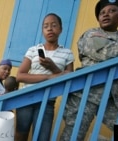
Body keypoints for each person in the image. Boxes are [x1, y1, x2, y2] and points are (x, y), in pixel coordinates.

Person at [60, 0, 118, 140]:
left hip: (109, 98)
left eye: (112, 11)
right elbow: (107, 52)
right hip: (83, 96)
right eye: (102, 13)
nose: (106, 15)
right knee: (73, 136)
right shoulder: (91, 34)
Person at [15, 13, 74, 141]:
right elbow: (20, 76)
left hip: (47, 101)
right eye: (46, 26)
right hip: (26, 97)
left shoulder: (67, 53)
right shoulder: (33, 50)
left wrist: (53, 68)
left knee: (42, 137)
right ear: (42, 30)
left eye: (54, 25)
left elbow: (69, 81)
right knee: (21, 134)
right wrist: (48, 78)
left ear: (61, 29)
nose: (49, 29)